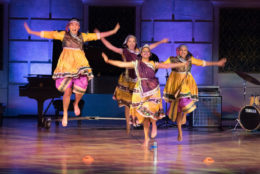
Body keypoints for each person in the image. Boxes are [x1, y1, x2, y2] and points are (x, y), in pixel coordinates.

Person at [24, 18, 120, 127]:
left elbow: (97, 36)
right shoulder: (63, 35)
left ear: (78, 27)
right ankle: (65, 113)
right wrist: (31, 32)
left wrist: (113, 31)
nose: (74, 27)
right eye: (72, 25)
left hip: (79, 65)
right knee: (68, 91)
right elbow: (48, 34)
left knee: (82, 87)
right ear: (69, 26)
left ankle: (76, 103)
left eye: (76, 25)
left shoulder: (83, 36)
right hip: (66, 66)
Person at [102, 45, 188, 147]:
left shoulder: (153, 63)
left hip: (153, 89)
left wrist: (181, 63)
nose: (146, 53)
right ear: (141, 53)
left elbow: (167, 66)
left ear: (150, 54)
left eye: (148, 51)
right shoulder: (136, 63)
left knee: (151, 109)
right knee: (144, 116)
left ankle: (154, 124)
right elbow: (122, 64)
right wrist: (108, 61)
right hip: (140, 90)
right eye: (144, 51)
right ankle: (146, 139)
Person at [96, 33, 168, 135]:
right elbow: (110, 47)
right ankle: (128, 127)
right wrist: (101, 37)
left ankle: (148, 124)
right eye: (130, 41)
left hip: (139, 81)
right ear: (126, 42)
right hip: (127, 80)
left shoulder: (140, 51)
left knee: (145, 103)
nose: (132, 43)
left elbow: (150, 47)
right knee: (128, 105)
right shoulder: (123, 51)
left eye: (134, 41)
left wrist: (161, 42)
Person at [163, 45, 227, 141]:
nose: (183, 52)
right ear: (178, 51)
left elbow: (203, 63)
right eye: (182, 50)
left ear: (187, 51)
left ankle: (184, 113)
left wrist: (217, 63)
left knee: (185, 103)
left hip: (186, 84)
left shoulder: (190, 59)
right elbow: (163, 64)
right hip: (176, 86)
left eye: (185, 50)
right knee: (178, 111)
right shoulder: (172, 59)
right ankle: (180, 132)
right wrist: (152, 64)